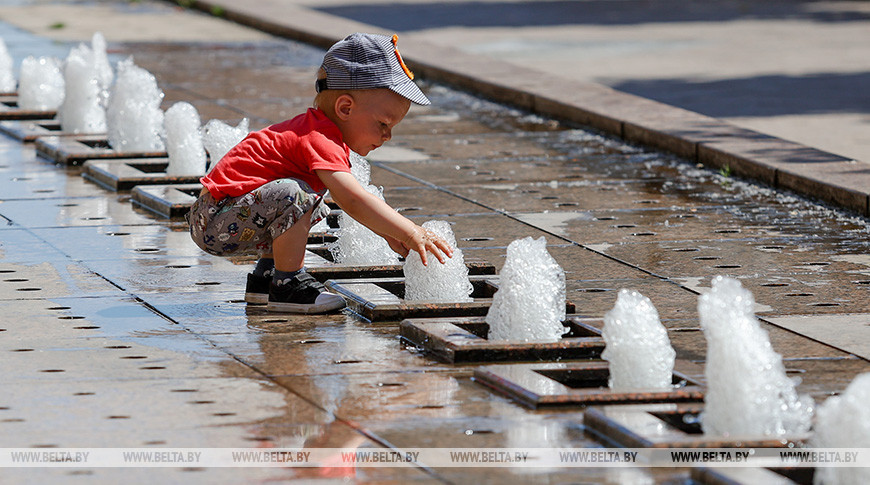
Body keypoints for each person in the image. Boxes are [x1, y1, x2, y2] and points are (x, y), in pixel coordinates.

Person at [187, 33, 453, 314]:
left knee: (307, 200)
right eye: (383, 124)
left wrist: (386, 232)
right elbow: (352, 199)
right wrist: (411, 232)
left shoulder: (318, 131)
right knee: (297, 196)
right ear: (345, 108)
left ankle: (265, 280)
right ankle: (287, 287)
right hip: (214, 219)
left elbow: (351, 204)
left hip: (220, 217)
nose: (388, 136)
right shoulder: (319, 137)